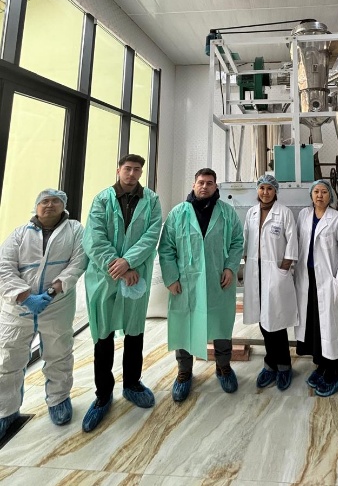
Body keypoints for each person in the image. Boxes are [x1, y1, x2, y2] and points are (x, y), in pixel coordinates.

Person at [82, 154, 162, 432]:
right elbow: (94, 238)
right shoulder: (102, 199)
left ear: (141, 172)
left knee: (134, 332)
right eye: (127, 168)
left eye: (137, 169)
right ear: (118, 170)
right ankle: (103, 395)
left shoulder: (151, 200)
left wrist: (129, 262)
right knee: (103, 336)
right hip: (106, 276)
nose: (132, 173)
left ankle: (132, 384)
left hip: (135, 273)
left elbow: (151, 235)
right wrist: (117, 266)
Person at [0, 189, 86, 439]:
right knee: (8, 358)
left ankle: (58, 400)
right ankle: (6, 411)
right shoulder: (19, 234)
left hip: (57, 303)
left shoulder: (75, 230)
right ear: (36, 206)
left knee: (59, 353)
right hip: (18, 307)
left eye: (55, 201)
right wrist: (25, 296)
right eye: (44, 201)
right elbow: (4, 267)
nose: (49, 205)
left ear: (63, 206)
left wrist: (50, 292)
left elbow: (78, 262)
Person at [159, 168, 244, 402]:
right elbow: (166, 248)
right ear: (193, 184)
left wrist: (230, 267)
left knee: (221, 324)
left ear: (216, 186)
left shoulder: (227, 213)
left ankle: (223, 367)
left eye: (209, 183)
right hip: (186, 283)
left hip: (218, 280)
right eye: (200, 182)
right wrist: (171, 278)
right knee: (184, 324)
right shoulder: (178, 214)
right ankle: (184, 372)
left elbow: (237, 241)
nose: (204, 186)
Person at [294, 179, 338, 397]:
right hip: (307, 280)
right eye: (316, 192)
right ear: (311, 195)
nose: (319, 195)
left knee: (331, 327)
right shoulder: (304, 215)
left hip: (329, 281)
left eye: (324, 192)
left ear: (330, 196)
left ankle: (334, 372)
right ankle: (321, 366)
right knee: (314, 326)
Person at [243, 175, 298, 391]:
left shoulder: (283, 212)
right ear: (257, 190)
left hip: (275, 271)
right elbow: (246, 239)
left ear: (275, 192)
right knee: (262, 320)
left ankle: (284, 366)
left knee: (276, 320)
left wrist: (284, 266)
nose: (265, 192)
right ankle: (270, 364)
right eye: (262, 188)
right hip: (255, 271)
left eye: (269, 189)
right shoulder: (251, 212)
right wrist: (246, 260)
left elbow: (292, 240)